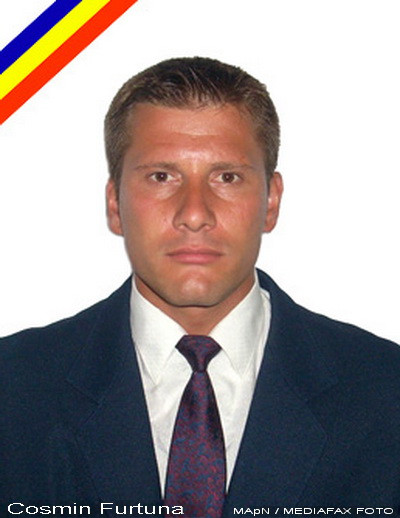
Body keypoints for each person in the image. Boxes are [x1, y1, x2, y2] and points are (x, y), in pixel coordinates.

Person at [1, 57, 400, 518]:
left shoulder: (385, 395)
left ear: (271, 201)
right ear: (114, 203)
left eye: (226, 177)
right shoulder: (13, 392)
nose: (194, 214)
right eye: (161, 176)